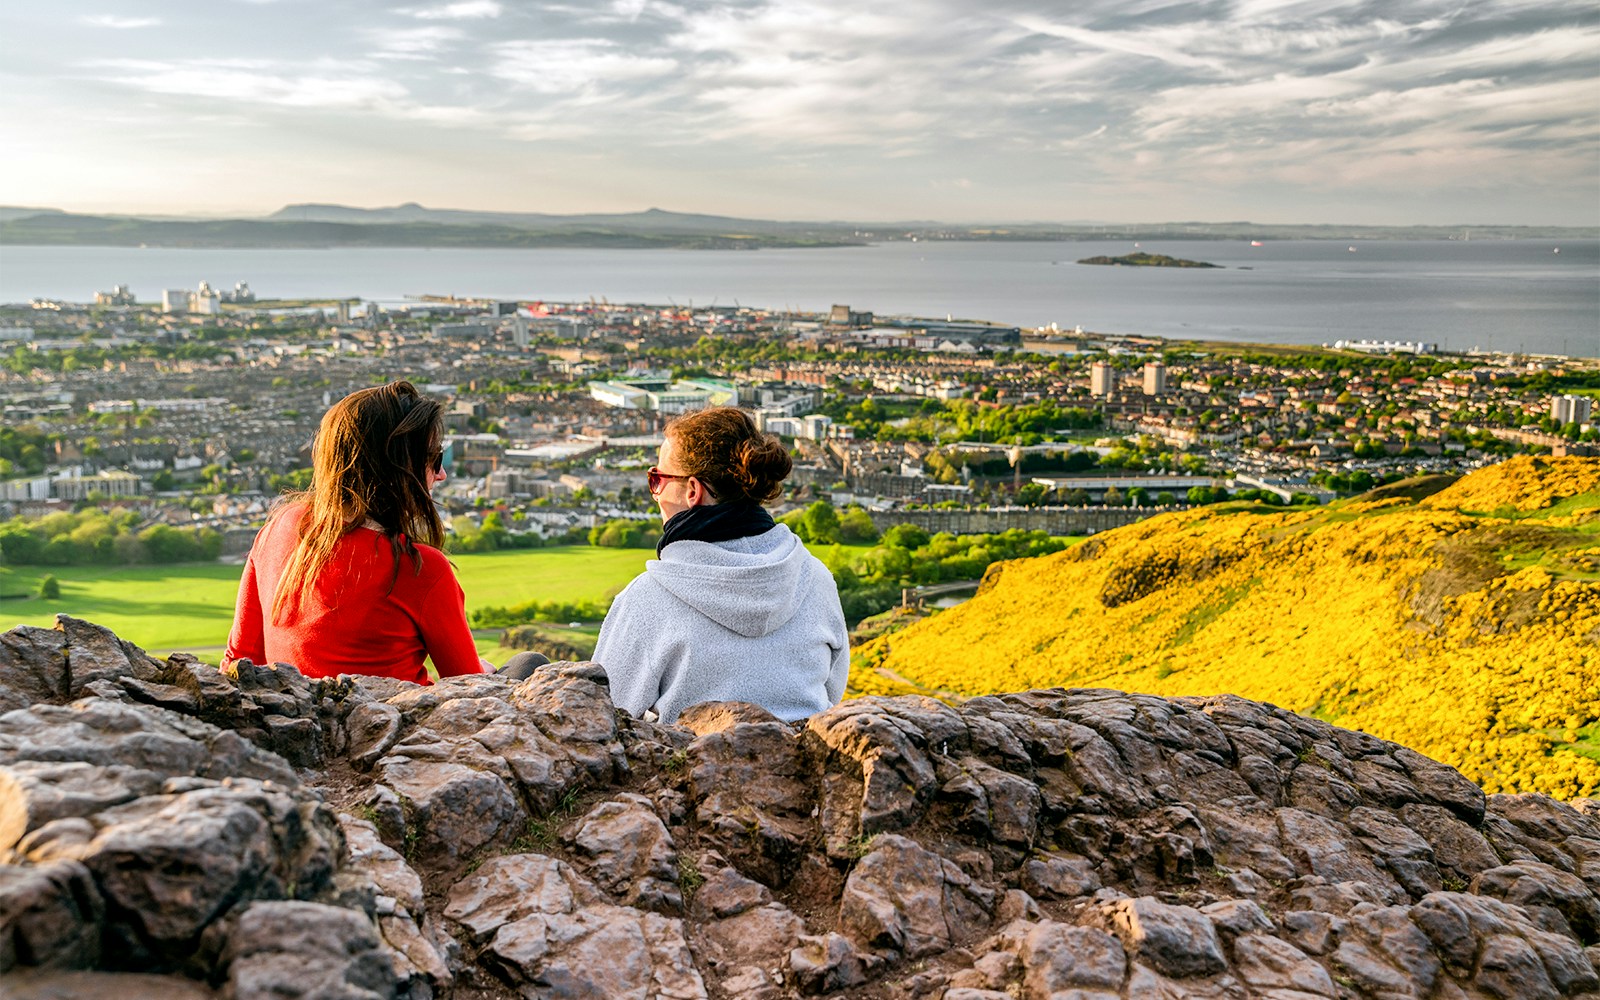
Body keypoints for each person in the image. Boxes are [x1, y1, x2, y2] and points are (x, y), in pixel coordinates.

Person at [224, 380, 497, 684]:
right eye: (433, 460)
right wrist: (482, 672)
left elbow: (239, 662)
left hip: (298, 716)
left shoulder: (278, 526)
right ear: (396, 468)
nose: (441, 473)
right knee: (528, 664)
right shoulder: (419, 569)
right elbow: (468, 689)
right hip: (390, 722)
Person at [593, 406, 849, 724]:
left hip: (697, 767)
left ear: (692, 491)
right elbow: (832, 692)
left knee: (526, 666)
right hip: (803, 763)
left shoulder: (648, 598)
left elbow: (605, 715)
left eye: (656, 479)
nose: (655, 493)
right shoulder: (816, 578)